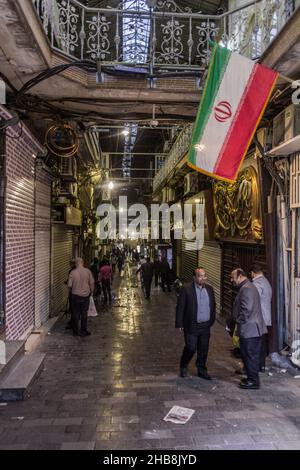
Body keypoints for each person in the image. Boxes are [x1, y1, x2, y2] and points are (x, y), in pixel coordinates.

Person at [176, 267, 216, 380]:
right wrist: (179, 323)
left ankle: (201, 370)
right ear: (194, 277)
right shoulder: (186, 289)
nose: (203, 278)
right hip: (191, 324)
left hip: (205, 325)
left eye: (204, 275)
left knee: (203, 349)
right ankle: (183, 365)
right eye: (200, 276)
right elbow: (180, 307)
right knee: (191, 347)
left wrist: (211, 320)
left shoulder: (209, 289)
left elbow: (213, 305)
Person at [230, 268, 267, 389]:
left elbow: (247, 310)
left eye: (233, 278)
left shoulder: (246, 289)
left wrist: (238, 321)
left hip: (250, 329)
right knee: (248, 354)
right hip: (251, 329)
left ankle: (253, 382)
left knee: (250, 355)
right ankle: (251, 377)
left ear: (240, 276)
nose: (232, 280)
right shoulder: (248, 287)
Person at [250, 264, 272, 372]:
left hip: (259, 318)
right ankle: (261, 366)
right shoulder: (266, 282)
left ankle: (255, 366)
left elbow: (254, 300)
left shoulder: (257, 283)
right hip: (266, 317)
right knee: (262, 343)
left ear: (253, 273)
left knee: (256, 344)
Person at [68, 258, 94, 337]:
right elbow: (92, 283)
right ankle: (83, 330)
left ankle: (75, 331)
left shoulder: (72, 273)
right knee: (84, 313)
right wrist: (92, 292)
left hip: (75, 296)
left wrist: (70, 292)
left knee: (75, 314)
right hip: (85, 296)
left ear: (76, 264)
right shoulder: (88, 271)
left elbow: (69, 285)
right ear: (82, 263)